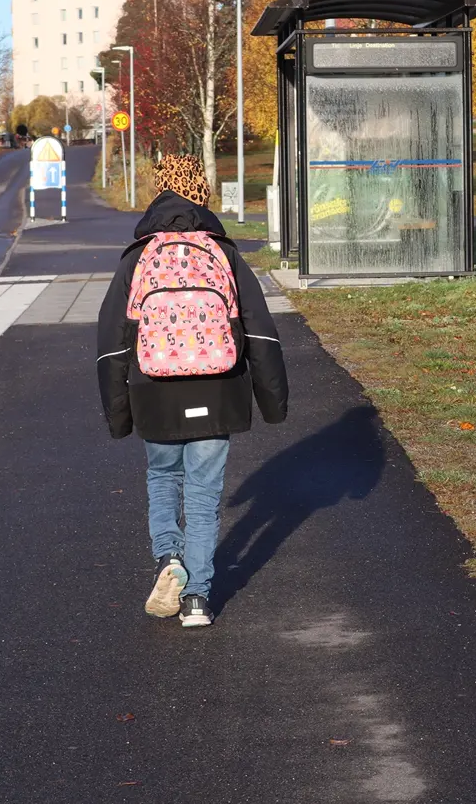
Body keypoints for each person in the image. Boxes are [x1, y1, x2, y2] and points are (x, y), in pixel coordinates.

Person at [96, 155, 288, 628]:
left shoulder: (139, 257)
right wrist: (273, 404)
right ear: (202, 191)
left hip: (154, 391)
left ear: (158, 192)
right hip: (218, 388)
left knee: (163, 478)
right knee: (203, 494)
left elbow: (111, 344)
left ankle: (170, 562)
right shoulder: (223, 253)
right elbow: (260, 332)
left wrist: (119, 416)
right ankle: (198, 599)